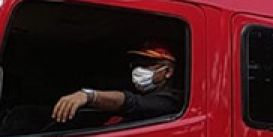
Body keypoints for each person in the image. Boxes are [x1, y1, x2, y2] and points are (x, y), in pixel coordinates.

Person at [50, 42, 183, 126]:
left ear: (168, 72)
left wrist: (89, 96)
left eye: (146, 65)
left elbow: (130, 102)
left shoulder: (170, 102)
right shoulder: (139, 91)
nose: (138, 70)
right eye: (136, 65)